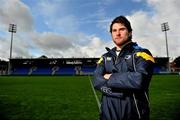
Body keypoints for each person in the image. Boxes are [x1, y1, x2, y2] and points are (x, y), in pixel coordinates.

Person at [93, 15, 155, 120]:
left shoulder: (142, 53)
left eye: (122, 29)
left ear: (130, 32)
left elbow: (139, 80)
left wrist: (111, 77)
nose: (117, 33)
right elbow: (97, 81)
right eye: (114, 30)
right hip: (107, 115)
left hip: (134, 115)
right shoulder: (104, 57)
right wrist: (121, 90)